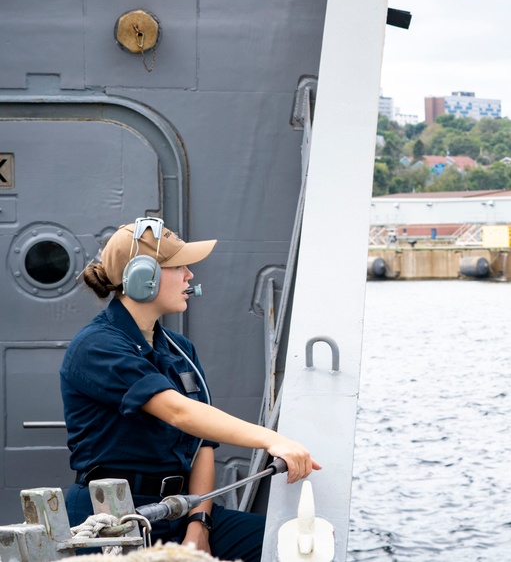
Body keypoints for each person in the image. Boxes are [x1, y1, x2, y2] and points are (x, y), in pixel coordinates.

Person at [62, 219, 321, 562]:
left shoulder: (179, 348)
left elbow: (202, 443)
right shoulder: (97, 346)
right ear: (143, 277)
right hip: (112, 513)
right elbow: (179, 412)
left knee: (296, 545)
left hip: (180, 510)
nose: (190, 276)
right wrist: (272, 440)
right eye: (179, 266)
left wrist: (199, 524)